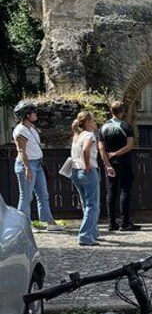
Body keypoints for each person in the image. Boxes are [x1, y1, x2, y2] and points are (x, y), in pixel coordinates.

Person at [12, 100, 62, 231]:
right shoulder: (20, 130)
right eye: (33, 112)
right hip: (27, 165)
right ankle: (24, 225)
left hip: (38, 164)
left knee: (43, 194)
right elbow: (21, 151)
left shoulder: (32, 128)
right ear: (27, 115)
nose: (35, 114)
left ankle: (49, 222)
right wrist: (27, 168)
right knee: (26, 196)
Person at [98, 102, 140, 232]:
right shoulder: (126, 126)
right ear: (122, 112)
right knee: (125, 191)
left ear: (111, 111)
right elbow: (129, 146)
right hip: (124, 162)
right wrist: (116, 153)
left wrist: (107, 163)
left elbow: (101, 148)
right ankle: (125, 222)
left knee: (111, 192)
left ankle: (111, 223)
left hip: (110, 165)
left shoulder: (103, 128)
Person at [70, 111, 100, 246]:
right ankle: (85, 235)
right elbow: (86, 150)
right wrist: (87, 165)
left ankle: (93, 232)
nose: (95, 123)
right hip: (88, 171)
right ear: (88, 122)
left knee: (85, 204)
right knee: (93, 205)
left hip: (75, 172)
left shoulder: (77, 136)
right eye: (93, 120)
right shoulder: (89, 135)